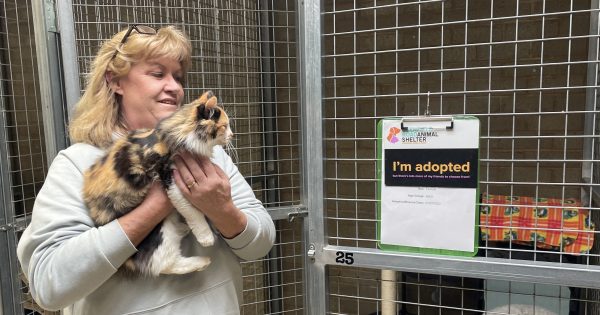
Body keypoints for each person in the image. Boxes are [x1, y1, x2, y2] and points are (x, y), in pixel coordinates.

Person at [17, 24, 275, 314]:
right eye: (157, 74)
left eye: (178, 77)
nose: (175, 87)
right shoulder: (78, 164)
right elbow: (49, 286)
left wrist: (223, 209)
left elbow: (259, 245)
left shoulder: (209, 155)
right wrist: (157, 204)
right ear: (115, 81)